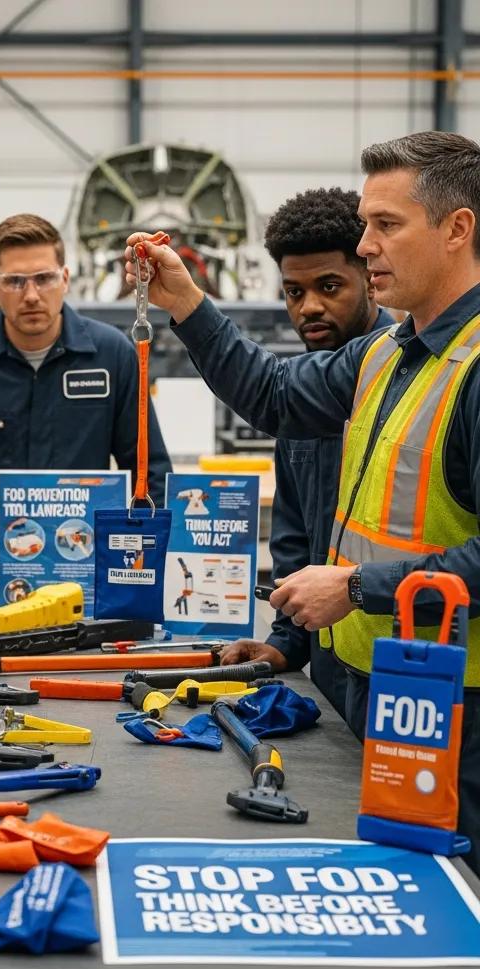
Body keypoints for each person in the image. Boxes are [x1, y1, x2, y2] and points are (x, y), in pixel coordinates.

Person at [126, 131, 480, 870]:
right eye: (366, 224)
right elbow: (274, 393)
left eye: (386, 225)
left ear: (457, 229)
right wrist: (185, 300)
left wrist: (353, 587)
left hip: (462, 710)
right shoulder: (387, 353)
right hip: (371, 689)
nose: (367, 244)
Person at [0, 213, 172, 612]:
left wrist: (143, 572)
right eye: (14, 281)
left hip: (85, 592)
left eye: (44, 278)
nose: (31, 295)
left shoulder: (112, 356)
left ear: (65, 278)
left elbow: (150, 471)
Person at [219, 188, 395, 715]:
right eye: (294, 292)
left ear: (370, 277)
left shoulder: (403, 376)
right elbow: (294, 535)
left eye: (329, 286)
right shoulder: (299, 392)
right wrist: (287, 642)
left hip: (409, 668)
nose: (309, 306)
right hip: (334, 678)